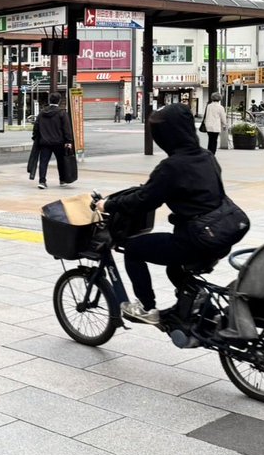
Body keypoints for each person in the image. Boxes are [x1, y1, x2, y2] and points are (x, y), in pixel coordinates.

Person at [98, 104, 229, 324]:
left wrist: (108, 205)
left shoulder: (172, 166)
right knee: (174, 268)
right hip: (220, 236)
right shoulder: (207, 156)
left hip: (194, 240)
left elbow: (144, 199)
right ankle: (201, 304)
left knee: (133, 249)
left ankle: (146, 307)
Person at [31, 92, 74, 189]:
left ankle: (42, 181)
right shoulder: (62, 113)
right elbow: (66, 129)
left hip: (45, 142)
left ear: (49, 100)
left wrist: (36, 138)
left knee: (43, 162)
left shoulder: (42, 113)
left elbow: (36, 127)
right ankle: (62, 180)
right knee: (61, 161)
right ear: (59, 101)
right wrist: (68, 141)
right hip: (59, 142)